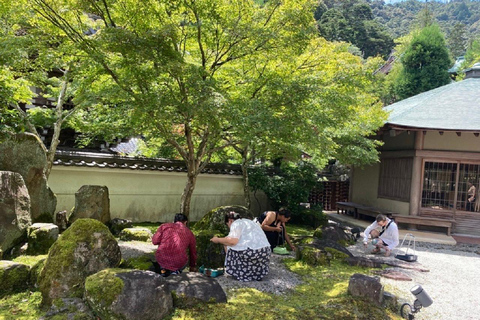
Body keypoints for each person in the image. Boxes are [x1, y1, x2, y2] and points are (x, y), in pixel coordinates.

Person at [210, 212, 271, 281]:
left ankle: (235, 271)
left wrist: (217, 240)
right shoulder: (249, 222)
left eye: (228, 225)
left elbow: (232, 241)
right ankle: (255, 274)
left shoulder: (236, 223)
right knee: (231, 244)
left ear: (230, 220)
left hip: (253, 253)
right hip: (266, 251)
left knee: (227, 245)